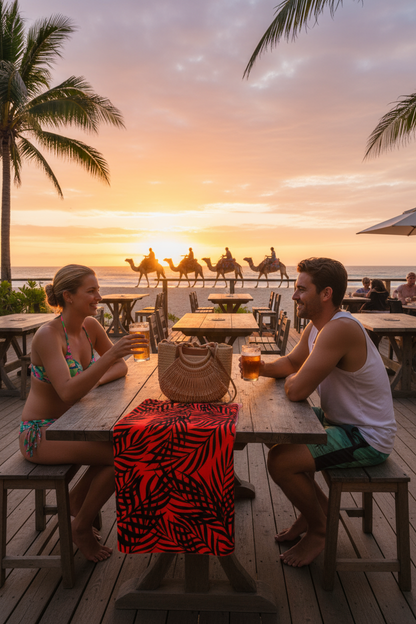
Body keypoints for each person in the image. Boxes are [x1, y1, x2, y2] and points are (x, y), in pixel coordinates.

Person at [243, 257, 395, 568]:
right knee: (275, 431)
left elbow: (296, 389)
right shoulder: (317, 326)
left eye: (301, 289)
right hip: (341, 421)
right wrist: (252, 366)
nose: (294, 295)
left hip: (366, 435)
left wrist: (297, 378)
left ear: (325, 294)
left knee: (281, 460)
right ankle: (319, 510)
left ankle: (321, 529)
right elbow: (289, 364)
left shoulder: (339, 329)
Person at [19, 265, 147, 563]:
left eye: (97, 290)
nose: (97, 297)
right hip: (41, 432)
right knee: (125, 454)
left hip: (75, 426)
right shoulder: (48, 335)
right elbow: (67, 391)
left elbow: (121, 367)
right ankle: (81, 527)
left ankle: (76, 500)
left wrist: (94, 377)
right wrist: (109, 358)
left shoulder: (90, 326)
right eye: (91, 291)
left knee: (128, 446)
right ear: (69, 296)